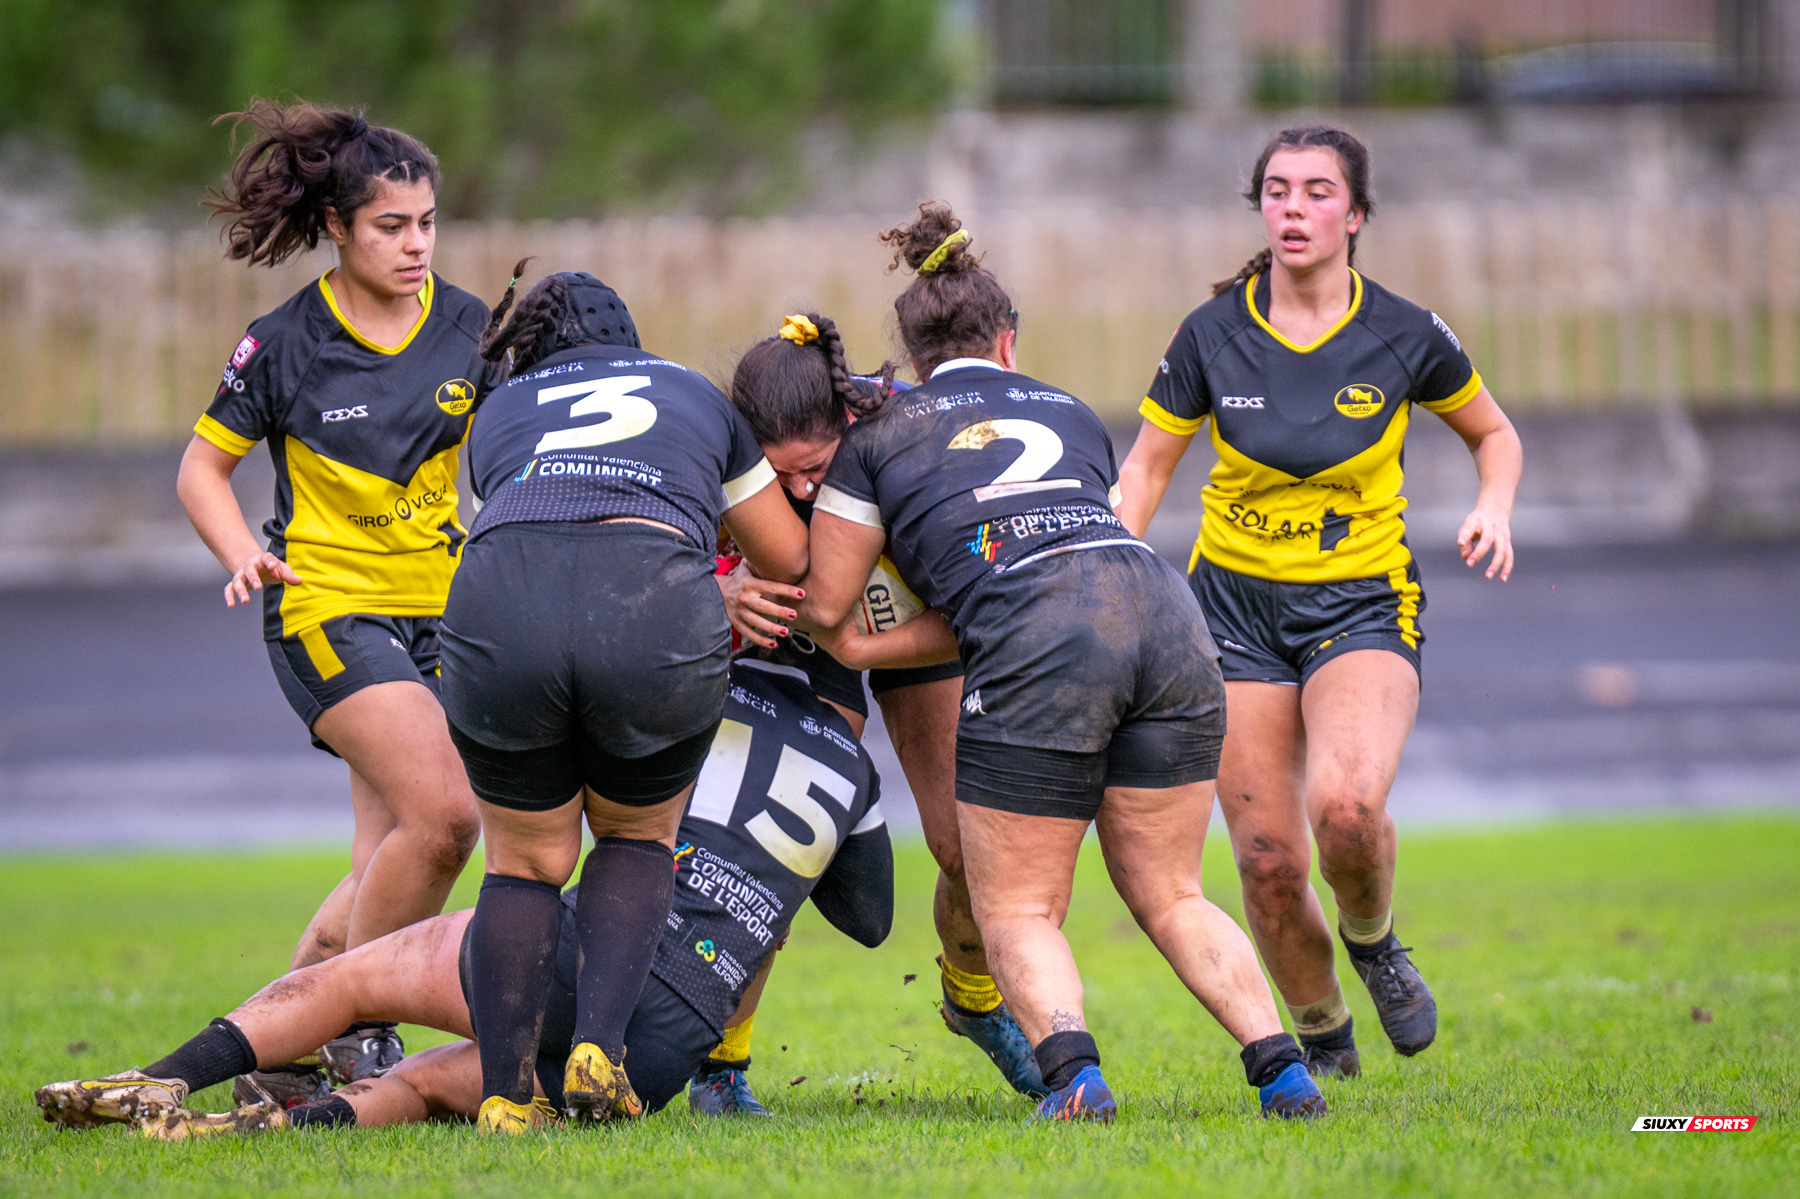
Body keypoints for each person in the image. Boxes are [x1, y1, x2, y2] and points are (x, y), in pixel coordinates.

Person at [794, 203, 1326, 1122]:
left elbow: (829, 602)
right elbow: (1067, 545)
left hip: (1044, 635)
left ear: (915, 356)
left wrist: (855, 645)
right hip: (1163, 612)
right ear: (1008, 342)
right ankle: (1282, 1068)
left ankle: (1075, 1077)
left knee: (1019, 909)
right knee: (1172, 891)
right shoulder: (1069, 410)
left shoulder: (880, 435)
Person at [35, 659, 891, 1137]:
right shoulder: (853, 765)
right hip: (662, 1054)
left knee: (353, 983)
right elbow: (871, 917)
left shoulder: (692, 686)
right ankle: (272, 1133)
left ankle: (155, 1081)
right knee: (426, 1085)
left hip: (581, 959)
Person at [1114, 126, 1522, 1076]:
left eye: (1316, 192)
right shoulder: (1210, 334)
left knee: (1346, 810)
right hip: (1233, 613)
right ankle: (1325, 1039)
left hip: (1363, 601)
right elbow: (1142, 471)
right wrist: (1106, 558)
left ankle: (1374, 941)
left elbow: (1492, 432)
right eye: (1277, 191)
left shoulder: (1404, 332)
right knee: (1265, 858)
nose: (1293, 208)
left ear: (1356, 214)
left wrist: (1494, 505)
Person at [440, 269, 808, 1131]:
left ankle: (503, 1096)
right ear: (630, 339)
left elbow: (528, 519)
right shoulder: (689, 392)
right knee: (639, 832)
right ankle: (599, 1051)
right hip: (652, 610)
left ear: (528, 353)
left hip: (500, 602)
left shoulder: (497, 409)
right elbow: (787, 557)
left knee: (522, 862)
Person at [175, 100, 490, 1100]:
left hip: (445, 618)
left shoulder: (471, 327)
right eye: (392, 225)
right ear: (340, 229)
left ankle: (273, 1049)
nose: (415, 243)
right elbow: (199, 470)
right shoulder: (284, 343)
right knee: (445, 818)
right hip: (325, 610)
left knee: (381, 864)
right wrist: (241, 554)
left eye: (428, 222)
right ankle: (361, 1028)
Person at [709, 312, 1044, 1103]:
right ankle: (722, 1065)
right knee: (769, 842)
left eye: (817, 468)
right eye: (779, 476)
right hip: (794, 635)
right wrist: (720, 588)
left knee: (970, 844)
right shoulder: (719, 454)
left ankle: (975, 997)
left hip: (913, 628)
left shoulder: (906, 432)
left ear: (849, 424)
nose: (800, 489)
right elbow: (672, 552)